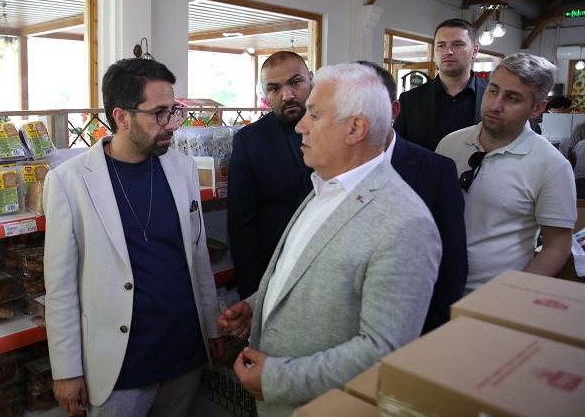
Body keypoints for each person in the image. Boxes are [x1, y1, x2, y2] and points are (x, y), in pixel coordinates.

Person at [219, 63, 442, 417]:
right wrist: (257, 305)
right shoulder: (324, 187)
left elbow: (383, 352)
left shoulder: (404, 222)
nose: (301, 126)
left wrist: (278, 378)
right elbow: (306, 273)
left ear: (355, 129)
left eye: (314, 115)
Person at [43, 58, 225, 417]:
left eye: (173, 111)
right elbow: (60, 286)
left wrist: (211, 326)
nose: (173, 123)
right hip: (120, 366)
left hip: (185, 352)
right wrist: (66, 370)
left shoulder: (183, 168)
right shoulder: (69, 181)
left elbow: (197, 256)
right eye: (159, 113)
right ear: (122, 117)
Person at [436, 53, 576, 293]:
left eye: (512, 98)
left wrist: (513, 294)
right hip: (434, 286)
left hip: (492, 296)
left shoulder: (552, 165)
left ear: (537, 108)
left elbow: (557, 246)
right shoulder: (450, 144)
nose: (495, 105)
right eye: (493, 91)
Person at [357, 60, 467, 333]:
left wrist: (431, 334)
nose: (354, 121)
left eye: (364, 106)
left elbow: (451, 263)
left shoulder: (436, 171)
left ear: (393, 111)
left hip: (413, 323)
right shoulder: (322, 169)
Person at [227, 51, 314, 299]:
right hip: (275, 273)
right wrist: (252, 295)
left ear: (311, 79)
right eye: (274, 88)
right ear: (264, 93)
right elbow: (242, 224)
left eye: (295, 82)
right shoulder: (249, 141)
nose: (287, 95)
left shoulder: (338, 129)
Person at [394, 18, 490, 151]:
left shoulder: (493, 97)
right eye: (441, 45)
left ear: (474, 51)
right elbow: (399, 151)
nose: (448, 51)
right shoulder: (409, 100)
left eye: (457, 45)